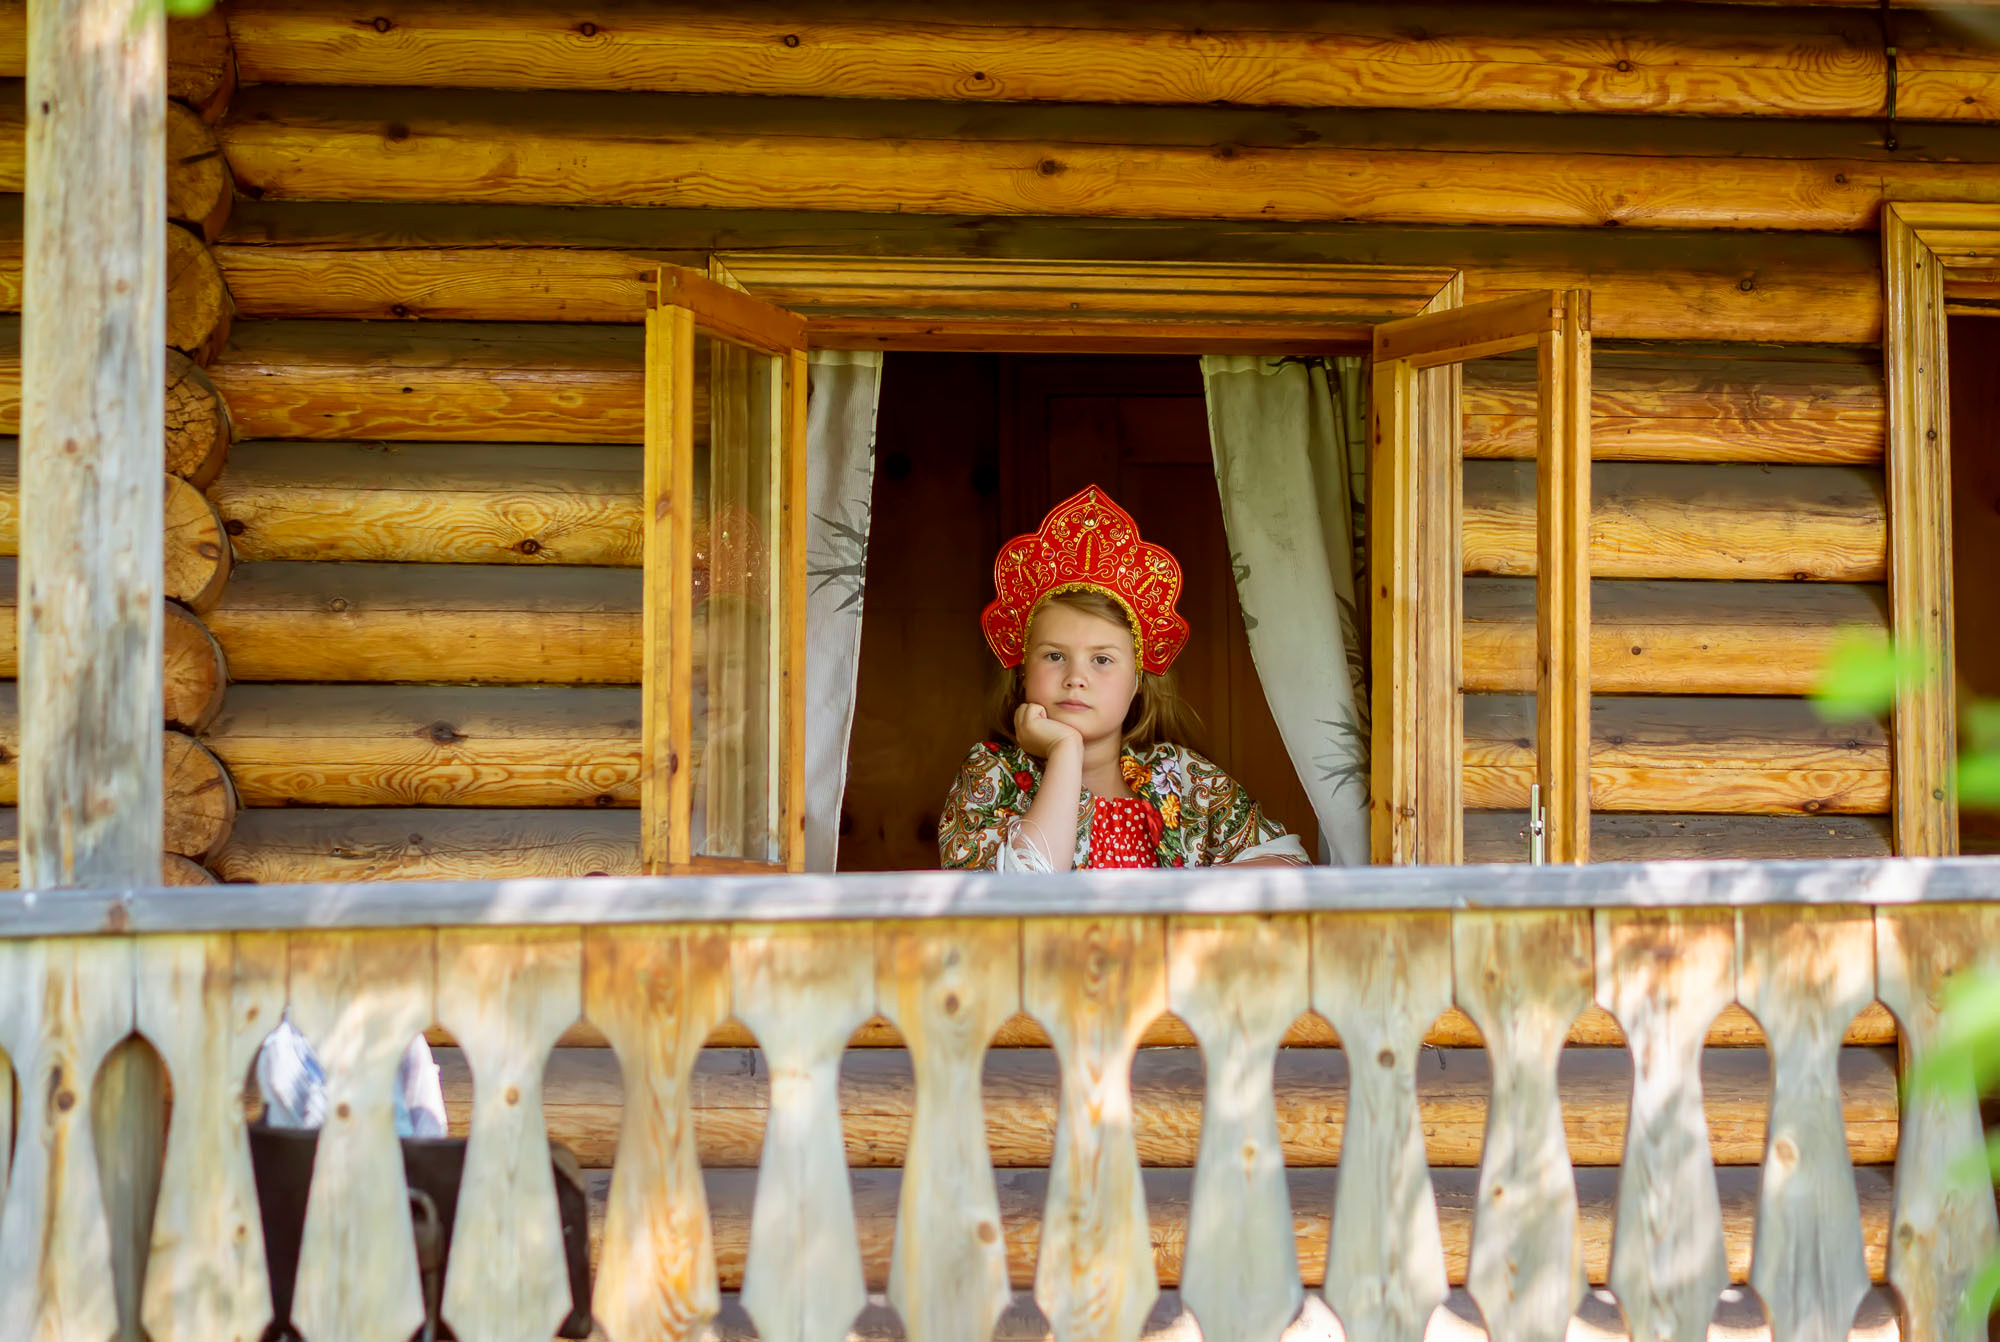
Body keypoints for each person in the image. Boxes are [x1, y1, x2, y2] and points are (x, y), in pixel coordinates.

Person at [940, 485, 1309, 871]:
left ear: (1138, 681)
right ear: (1022, 673)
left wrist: (1180, 899)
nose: (1075, 677)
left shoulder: (1181, 778)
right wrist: (1065, 751)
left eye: (1101, 659)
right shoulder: (992, 774)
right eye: (1054, 656)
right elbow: (1020, 892)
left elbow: (1289, 866)